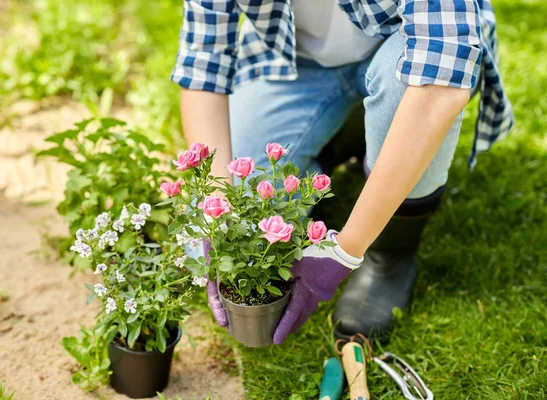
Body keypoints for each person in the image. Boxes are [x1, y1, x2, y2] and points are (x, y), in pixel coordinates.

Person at [171, 0, 513, 344]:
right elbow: (205, 61)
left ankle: (390, 256)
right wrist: (217, 212)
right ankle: (350, 133)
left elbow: (441, 80)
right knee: (237, 205)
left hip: (404, 49)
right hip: (298, 60)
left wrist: (344, 251)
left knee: (406, 90)